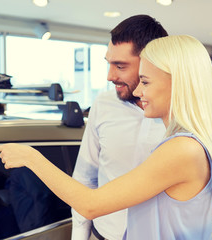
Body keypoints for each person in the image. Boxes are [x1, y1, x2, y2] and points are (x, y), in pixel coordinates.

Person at [0, 35, 212, 240]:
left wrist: (31, 157)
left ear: (178, 83)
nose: (139, 90)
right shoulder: (188, 143)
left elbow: (91, 204)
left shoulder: (182, 150)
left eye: (145, 81)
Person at [72, 14, 168, 240]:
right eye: (109, 63)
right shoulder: (103, 105)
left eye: (120, 66)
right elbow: (85, 178)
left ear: (151, 63)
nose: (109, 76)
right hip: (103, 234)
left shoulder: (180, 118)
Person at [0, 168, 56, 233]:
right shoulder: (10, 194)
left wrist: (40, 226)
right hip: (34, 232)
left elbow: (43, 195)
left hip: (43, 229)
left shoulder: (18, 174)